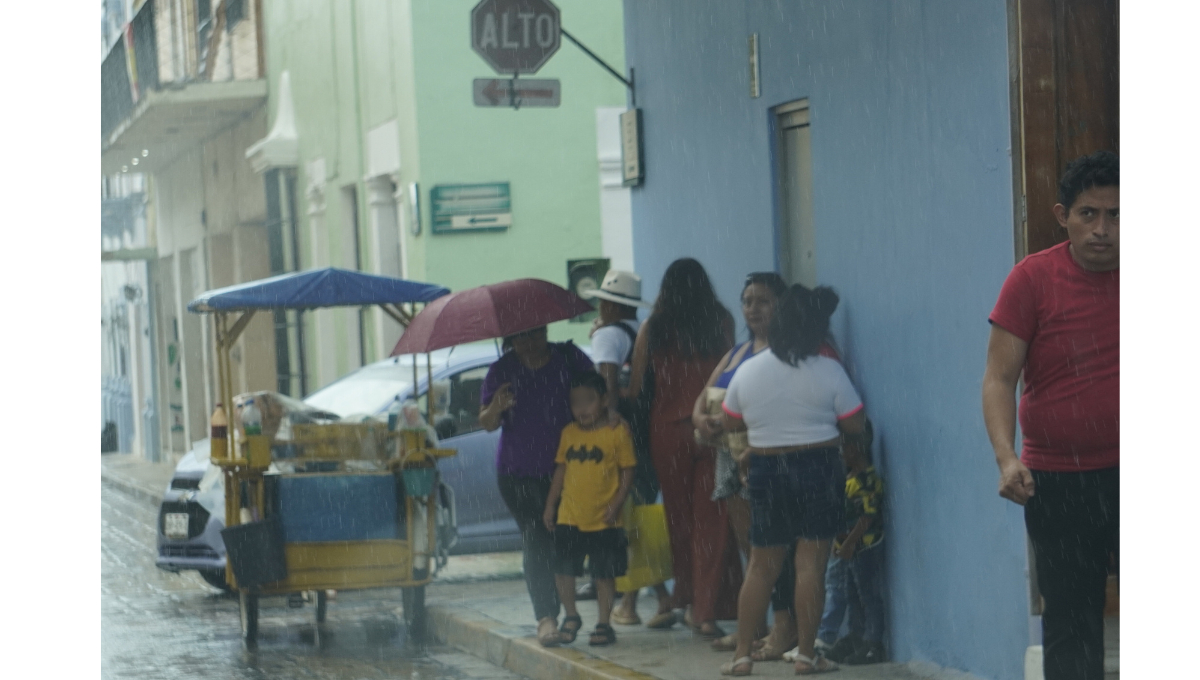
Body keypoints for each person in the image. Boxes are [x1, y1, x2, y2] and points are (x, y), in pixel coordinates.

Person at [983, 150, 1119, 680]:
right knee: (1071, 619)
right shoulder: (1032, 280)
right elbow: (998, 378)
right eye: (1090, 214)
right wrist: (1005, 457)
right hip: (1061, 481)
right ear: (1063, 215)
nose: (1103, 229)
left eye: (1117, 215)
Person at [719, 284, 865, 676]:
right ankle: (805, 655)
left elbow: (730, 420)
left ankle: (742, 655)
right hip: (819, 466)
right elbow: (854, 422)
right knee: (810, 567)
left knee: (762, 567)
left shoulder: (750, 370)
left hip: (765, 470)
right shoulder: (828, 369)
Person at [628, 258, 742, 639]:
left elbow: (637, 386)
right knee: (713, 520)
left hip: (668, 432)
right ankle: (707, 611)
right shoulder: (722, 321)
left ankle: (686, 597)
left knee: (679, 521)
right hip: (711, 427)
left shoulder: (655, 327)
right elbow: (731, 371)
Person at [480, 325, 596, 647]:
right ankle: (546, 617)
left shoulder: (569, 358)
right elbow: (487, 423)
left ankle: (573, 613)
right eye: (520, 336)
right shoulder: (501, 371)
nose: (528, 342)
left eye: (534, 334)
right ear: (510, 338)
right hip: (518, 473)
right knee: (536, 535)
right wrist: (495, 408)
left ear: (546, 330)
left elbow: (599, 396)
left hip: (571, 469)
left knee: (566, 540)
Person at [582, 270, 675, 628]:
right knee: (637, 517)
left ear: (609, 303)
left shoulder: (607, 334)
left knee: (626, 520)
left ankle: (639, 602)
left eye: (602, 300)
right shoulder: (641, 332)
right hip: (650, 431)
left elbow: (606, 384)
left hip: (625, 435)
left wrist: (608, 434)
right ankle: (654, 598)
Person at [542, 371, 637, 646]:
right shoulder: (568, 433)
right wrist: (551, 506)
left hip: (605, 518)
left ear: (605, 400)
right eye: (575, 402)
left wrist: (617, 503)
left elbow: (628, 472)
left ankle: (604, 622)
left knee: (604, 573)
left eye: (589, 401)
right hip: (569, 516)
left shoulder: (616, 432)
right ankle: (571, 615)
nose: (582, 408)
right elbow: (561, 471)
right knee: (563, 569)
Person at [815, 419, 885, 665]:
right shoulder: (850, 477)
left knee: (869, 594)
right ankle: (857, 636)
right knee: (853, 593)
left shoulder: (866, 480)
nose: (840, 455)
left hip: (864, 546)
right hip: (850, 548)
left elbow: (867, 517)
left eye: (842, 448)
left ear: (854, 449)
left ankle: (874, 642)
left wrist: (849, 543)